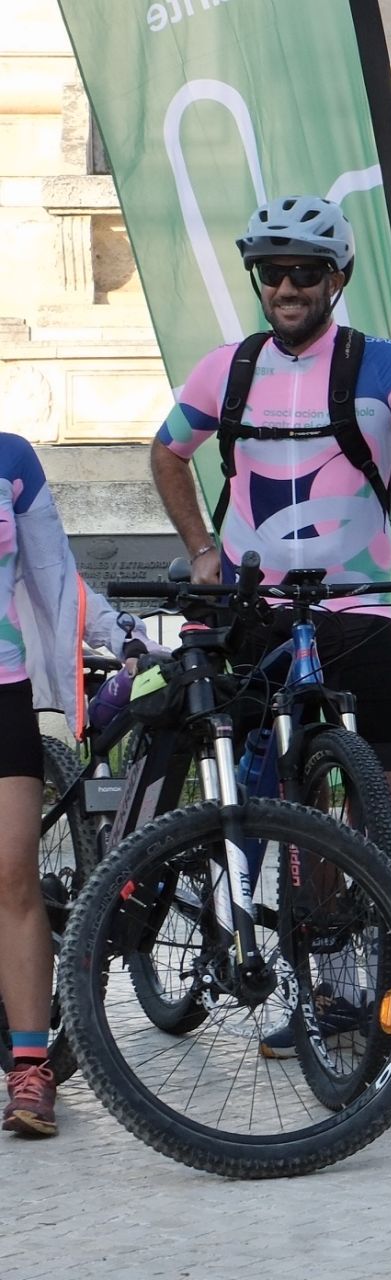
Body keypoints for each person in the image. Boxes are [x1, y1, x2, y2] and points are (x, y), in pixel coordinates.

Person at [149, 195, 391, 895]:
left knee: (386, 799)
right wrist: (201, 550)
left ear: (336, 278)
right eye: (271, 272)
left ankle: (387, 946)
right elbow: (167, 454)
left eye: (304, 273)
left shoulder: (388, 366)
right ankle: (303, 955)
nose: (286, 288)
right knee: (277, 802)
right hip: (258, 612)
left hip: (360, 608)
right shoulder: (226, 368)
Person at [1, 434, 110, 1137]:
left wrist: (122, 632)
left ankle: (30, 1069)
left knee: (12, 879)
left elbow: (55, 576)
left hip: (3, 691)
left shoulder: (12, 459)